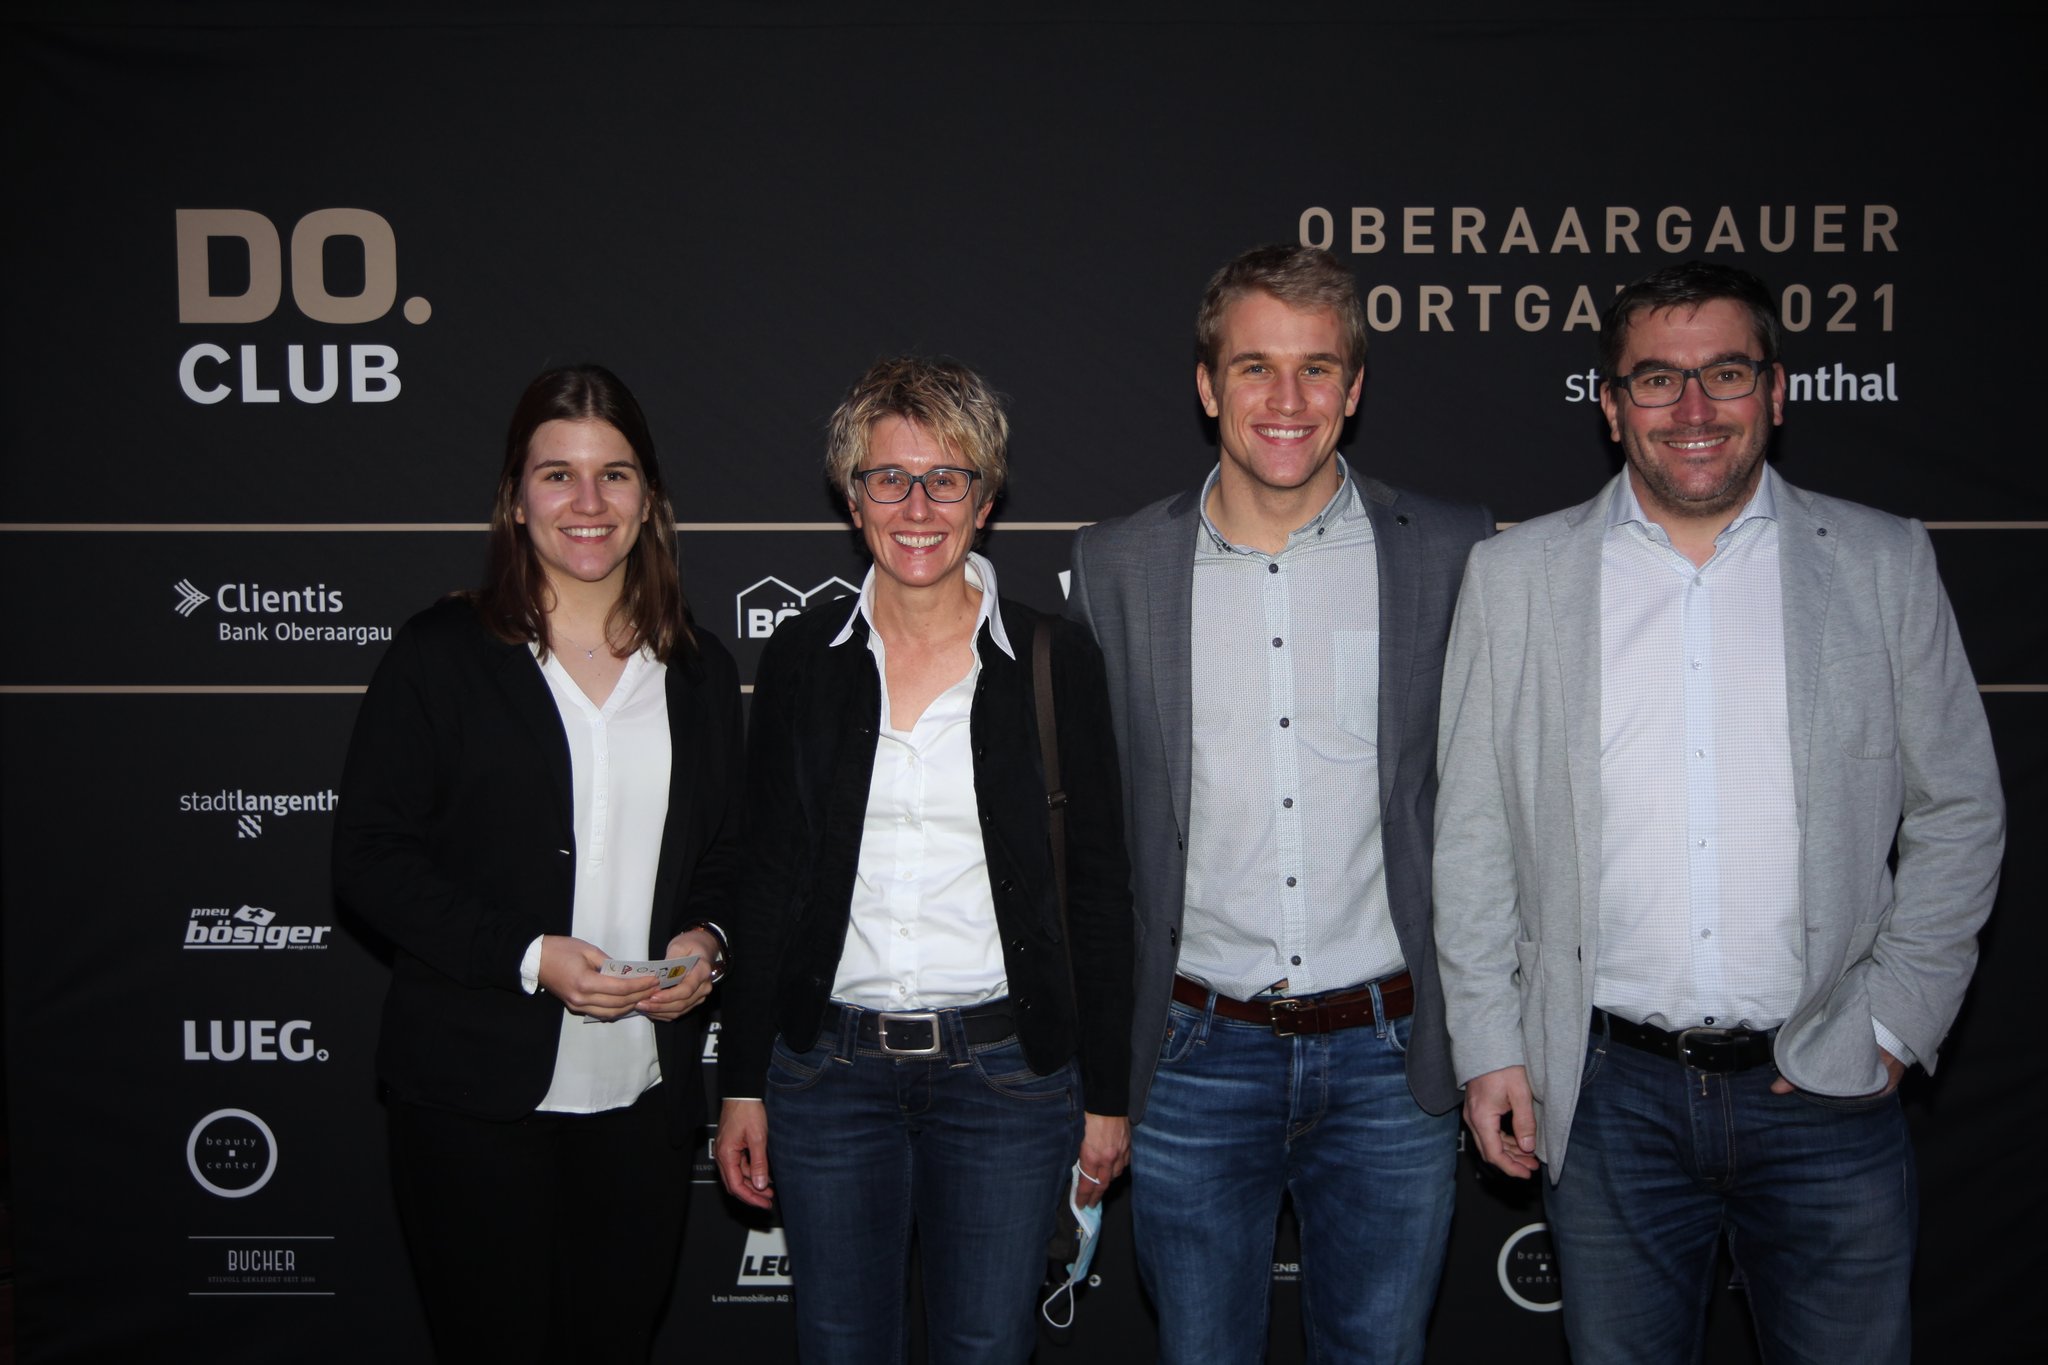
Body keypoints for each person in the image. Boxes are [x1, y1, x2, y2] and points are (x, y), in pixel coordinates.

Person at [1433, 261, 2006, 1363]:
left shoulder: (1881, 562)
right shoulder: (1514, 577)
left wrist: (1893, 1022)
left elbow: (1960, 811)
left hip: (1827, 1085)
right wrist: (1492, 1044)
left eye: (1726, 373)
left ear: (1775, 392)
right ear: (1611, 407)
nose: (1692, 408)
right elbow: (1472, 835)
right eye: (1657, 379)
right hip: (1604, 1100)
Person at [1065, 244, 1492, 1363]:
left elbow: (1492, 810)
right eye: (1255, 367)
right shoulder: (1115, 566)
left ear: (1354, 388)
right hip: (1193, 1057)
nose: (1287, 399)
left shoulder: (1452, 551)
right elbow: (1095, 840)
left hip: (1392, 1057)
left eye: (1317, 368)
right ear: (1208, 387)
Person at [712, 356, 1135, 1364]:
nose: (916, 506)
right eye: (888, 478)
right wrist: (741, 1083)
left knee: (985, 1348)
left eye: (945, 479)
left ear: (984, 501)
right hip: (826, 1075)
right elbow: (766, 882)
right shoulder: (802, 658)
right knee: (838, 1345)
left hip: (1006, 1081)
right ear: (851, 497)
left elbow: (1096, 894)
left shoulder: (1052, 660)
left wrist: (1108, 1099)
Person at [333, 364, 743, 1362]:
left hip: (641, 1101)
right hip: (470, 1097)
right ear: (515, 500)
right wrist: (528, 954)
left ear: (650, 501)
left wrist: (707, 940)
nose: (587, 502)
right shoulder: (439, 654)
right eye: (557, 475)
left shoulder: (699, 671)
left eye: (614, 474)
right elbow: (370, 860)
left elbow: (728, 855)